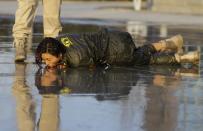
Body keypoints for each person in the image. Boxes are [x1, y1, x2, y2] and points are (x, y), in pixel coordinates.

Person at [35, 28, 200, 69]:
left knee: (146, 60)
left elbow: (93, 66)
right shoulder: (59, 40)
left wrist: (66, 68)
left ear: (58, 53)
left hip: (116, 52)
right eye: (44, 60)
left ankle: (185, 57)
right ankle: (170, 42)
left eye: (49, 59)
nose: (48, 64)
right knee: (140, 52)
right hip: (115, 36)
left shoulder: (77, 60)